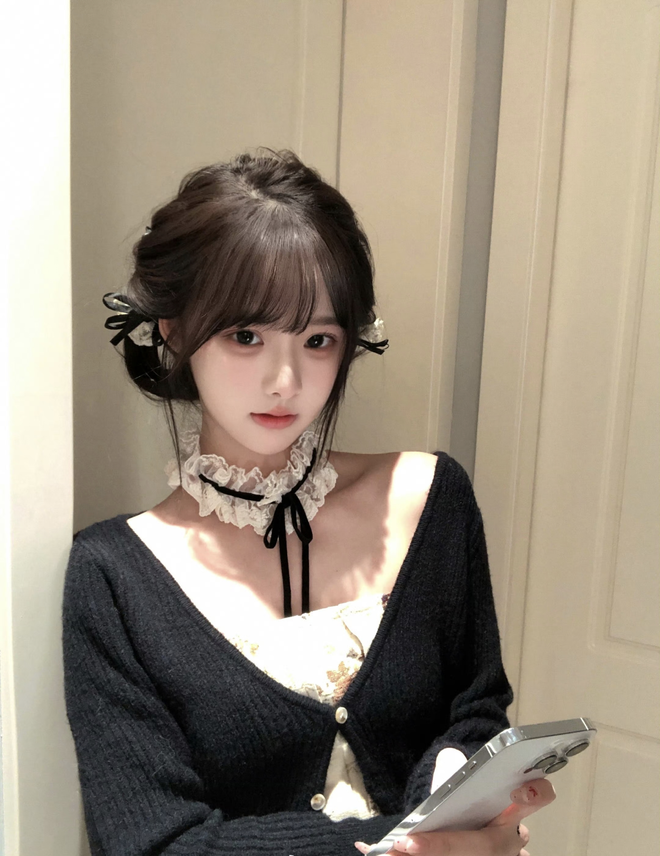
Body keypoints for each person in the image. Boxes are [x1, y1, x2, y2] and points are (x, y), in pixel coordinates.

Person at [62, 149, 554, 856]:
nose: (285, 380)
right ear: (174, 330)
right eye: (245, 335)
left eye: (318, 339)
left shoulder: (428, 499)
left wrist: (463, 793)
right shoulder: (113, 576)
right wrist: (421, 849)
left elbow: (474, 710)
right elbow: (155, 844)